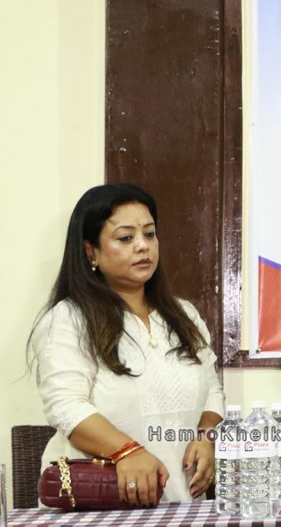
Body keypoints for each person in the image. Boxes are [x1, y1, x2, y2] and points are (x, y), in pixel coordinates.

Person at [28, 184, 225, 505]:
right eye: (125, 238)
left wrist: (207, 438)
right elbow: (66, 405)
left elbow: (212, 390)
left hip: (183, 500)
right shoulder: (69, 319)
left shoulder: (184, 314)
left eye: (150, 234)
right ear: (90, 251)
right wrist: (126, 451)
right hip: (100, 503)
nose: (143, 246)